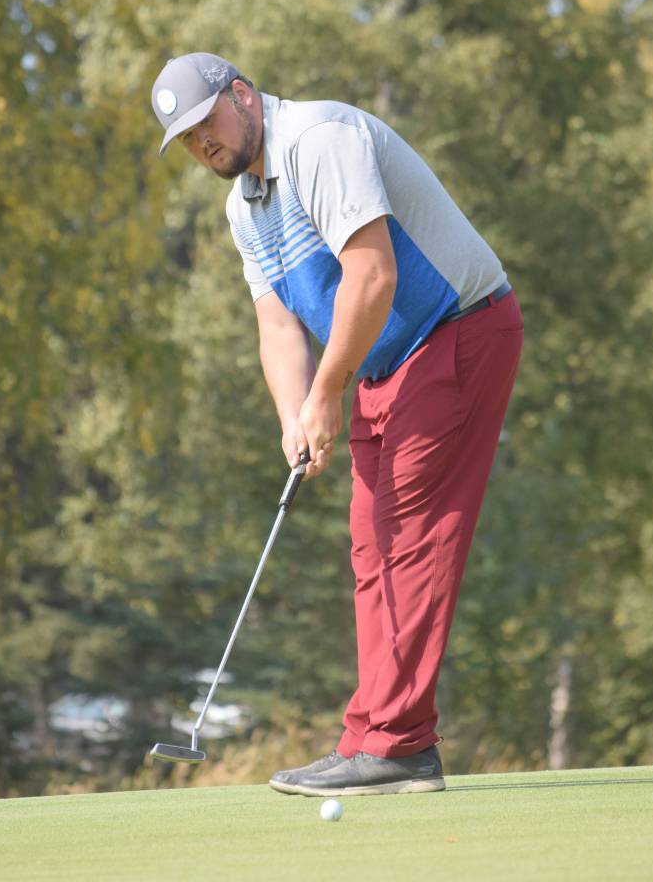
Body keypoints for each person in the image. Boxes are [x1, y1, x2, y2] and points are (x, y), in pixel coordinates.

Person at [151, 52, 524, 797]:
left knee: (412, 540)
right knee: (370, 546)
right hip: (382, 363)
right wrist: (295, 414)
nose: (203, 147)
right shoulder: (241, 206)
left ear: (244, 96)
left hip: (455, 333)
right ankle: (372, 736)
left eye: (206, 124)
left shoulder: (317, 138)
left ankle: (397, 744)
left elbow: (373, 274)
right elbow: (277, 324)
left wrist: (326, 393)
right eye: (187, 141)